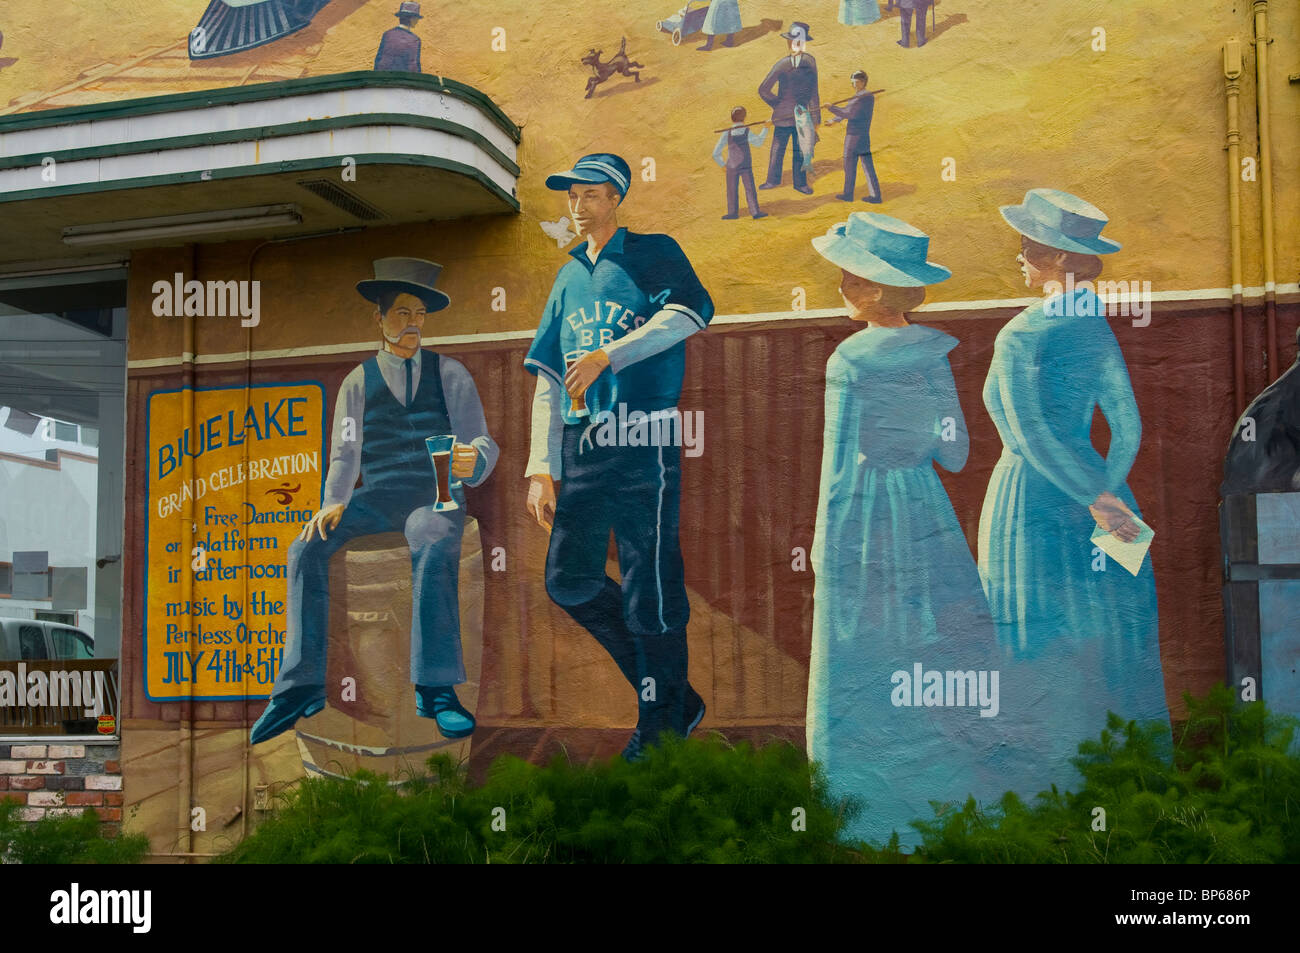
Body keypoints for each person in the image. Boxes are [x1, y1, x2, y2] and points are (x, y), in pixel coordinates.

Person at [806, 211, 1003, 849]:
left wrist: (821, 539)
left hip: (861, 512)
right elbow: (957, 453)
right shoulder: (934, 352)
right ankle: (943, 794)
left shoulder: (848, 359)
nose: (841, 285)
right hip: (923, 509)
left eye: (849, 275)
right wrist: (915, 436)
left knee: (864, 646)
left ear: (872, 288)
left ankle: (864, 807)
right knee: (935, 642)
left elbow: (837, 464)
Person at [250, 258, 499, 745]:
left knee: (432, 538)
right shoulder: (358, 381)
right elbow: (344, 452)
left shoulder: (451, 375)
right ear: (379, 318)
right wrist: (334, 501)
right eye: (402, 313)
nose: (412, 324)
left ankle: (436, 690)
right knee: (305, 547)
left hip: (435, 496)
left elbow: (482, 442)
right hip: (378, 496)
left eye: (420, 314)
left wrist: (476, 460)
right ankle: (299, 688)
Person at [523, 153, 715, 761]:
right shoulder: (568, 274)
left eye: (591, 195)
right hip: (583, 446)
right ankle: (676, 698)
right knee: (569, 581)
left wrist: (613, 355)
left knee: (649, 586)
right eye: (571, 196)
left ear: (616, 200)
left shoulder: (653, 250)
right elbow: (549, 376)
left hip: (642, 437)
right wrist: (539, 466)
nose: (578, 207)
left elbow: (691, 312)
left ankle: (659, 723)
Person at [977, 188, 1170, 791]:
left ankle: (1049, 772)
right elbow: (1129, 425)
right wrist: (1105, 492)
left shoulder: (1021, 334)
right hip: (1095, 484)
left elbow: (1028, 432)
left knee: (1035, 622)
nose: (1020, 257)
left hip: (1029, 496)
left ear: (1061, 258)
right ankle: (1119, 766)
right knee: (1111, 616)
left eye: (1030, 247)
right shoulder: (1095, 324)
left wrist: (1092, 497)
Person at [757, 22, 820, 196]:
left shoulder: (810, 62)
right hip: (782, 117)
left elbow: (814, 91)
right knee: (777, 149)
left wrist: (816, 118)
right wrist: (777, 105)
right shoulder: (782, 64)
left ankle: (800, 184)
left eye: (798, 41)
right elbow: (763, 89)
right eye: (791, 41)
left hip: (803, 117)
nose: (794, 44)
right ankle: (772, 180)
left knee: (800, 150)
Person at [824, 70, 881, 203]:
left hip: (854, 136)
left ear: (862, 82)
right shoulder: (862, 96)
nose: (854, 85)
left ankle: (849, 194)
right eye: (852, 83)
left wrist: (831, 107)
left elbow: (849, 113)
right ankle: (874, 195)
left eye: (856, 83)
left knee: (850, 165)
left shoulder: (862, 97)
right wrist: (834, 120)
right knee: (866, 166)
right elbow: (849, 111)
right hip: (863, 136)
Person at [713, 105, 770, 220]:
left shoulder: (727, 133)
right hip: (745, 164)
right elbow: (758, 143)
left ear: (731, 118)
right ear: (744, 118)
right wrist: (766, 128)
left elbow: (715, 153)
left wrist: (722, 164)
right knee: (750, 189)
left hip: (731, 166)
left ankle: (732, 213)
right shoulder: (746, 131)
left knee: (731, 190)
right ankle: (755, 212)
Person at [374, 1, 423, 73]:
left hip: (383, 78)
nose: (417, 21)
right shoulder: (414, 40)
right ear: (411, 19)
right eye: (416, 18)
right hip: (404, 81)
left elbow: (379, 61)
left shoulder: (387, 34)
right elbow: (413, 66)